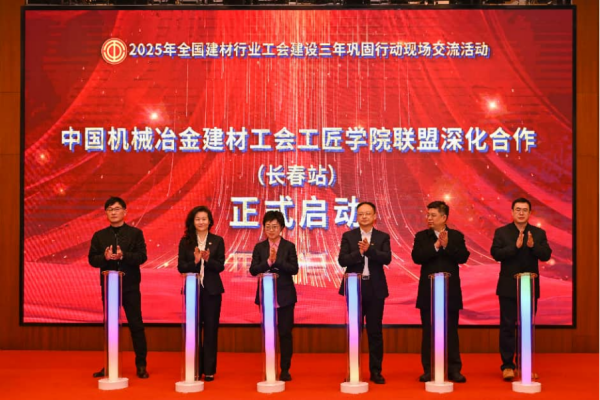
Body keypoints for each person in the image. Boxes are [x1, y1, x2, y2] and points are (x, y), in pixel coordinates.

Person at [490, 197, 552, 381]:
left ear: (530, 213)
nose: (521, 213)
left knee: (526, 327)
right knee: (508, 326)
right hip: (508, 287)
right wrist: (514, 247)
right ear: (512, 212)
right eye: (518, 209)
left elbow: (546, 255)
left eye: (525, 210)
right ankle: (508, 366)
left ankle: (524, 365)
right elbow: (496, 254)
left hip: (529, 287)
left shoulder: (538, 233)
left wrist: (533, 247)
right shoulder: (502, 232)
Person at [88, 196, 149, 379]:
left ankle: (141, 365)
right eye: (110, 210)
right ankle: (109, 365)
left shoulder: (135, 233)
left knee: (136, 325)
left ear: (125, 212)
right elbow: (92, 260)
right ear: (106, 213)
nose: (113, 212)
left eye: (116, 209)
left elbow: (142, 257)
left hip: (130, 286)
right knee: (110, 327)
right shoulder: (99, 236)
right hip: (109, 287)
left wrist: (124, 256)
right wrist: (104, 258)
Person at [411, 200, 469, 383]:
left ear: (444, 217)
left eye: (433, 215)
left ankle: (454, 369)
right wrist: (436, 245)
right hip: (428, 291)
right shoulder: (422, 236)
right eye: (428, 214)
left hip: (450, 291)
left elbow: (463, 257)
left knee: (451, 331)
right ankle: (429, 370)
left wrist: (448, 245)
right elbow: (417, 257)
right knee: (428, 331)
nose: (429, 218)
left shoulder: (456, 236)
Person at [338, 201, 392, 385]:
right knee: (355, 331)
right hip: (355, 288)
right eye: (361, 214)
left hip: (375, 289)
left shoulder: (383, 237)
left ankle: (376, 371)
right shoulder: (349, 236)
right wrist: (360, 253)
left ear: (375, 216)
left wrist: (370, 251)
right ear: (357, 217)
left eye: (368, 213)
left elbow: (387, 258)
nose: (364, 216)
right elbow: (342, 260)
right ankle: (353, 370)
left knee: (375, 332)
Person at [177, 206, 226, 382]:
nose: (201, 222)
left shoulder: (217, 240)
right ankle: (195, 367)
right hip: (192, 290)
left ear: (210, 221)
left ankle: (209, 370)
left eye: (204, 219)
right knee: (194, 330)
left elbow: (220, 266)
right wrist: (195, 261)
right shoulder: (186, 242)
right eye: (198, 219)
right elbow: (181, 267)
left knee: (211, 330)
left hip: (212, 291)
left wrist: (208, 260)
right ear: (193, 221)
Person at [249, 210, 298, 382]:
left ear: (282, 228)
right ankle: (269, 366)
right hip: (266, 295)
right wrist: (268, 262)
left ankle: (285, 369)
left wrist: (277, 260)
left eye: (275, 226)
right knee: (268, 333)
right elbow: (253, 270)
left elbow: (294, 269)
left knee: (285, 333)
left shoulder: (289, 246)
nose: (271, 230)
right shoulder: (259, 247)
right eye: (268, 226)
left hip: (285, 296)